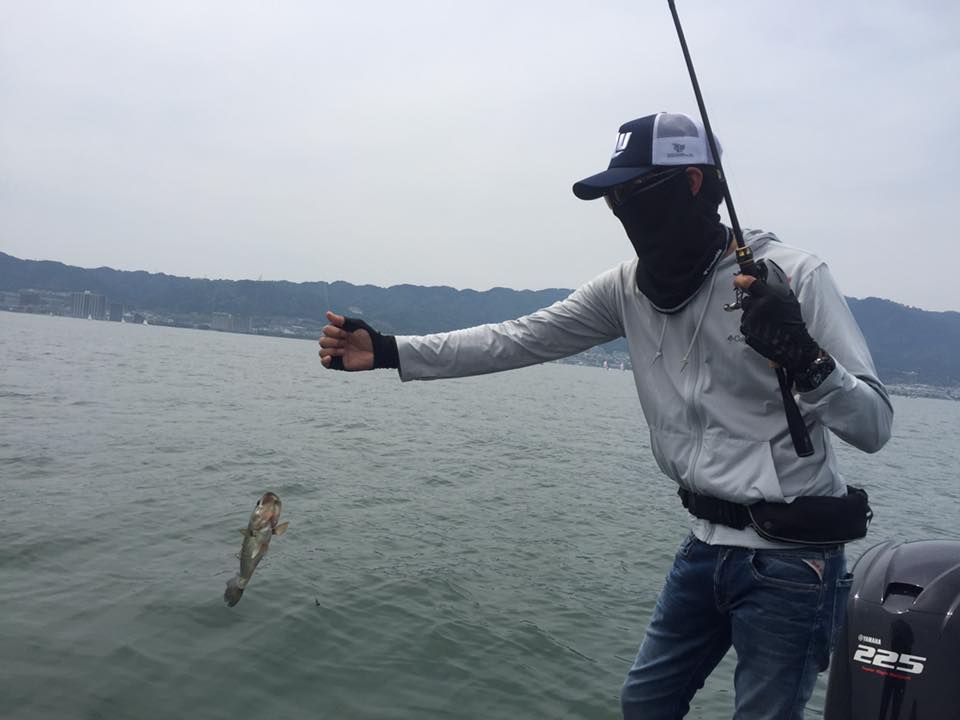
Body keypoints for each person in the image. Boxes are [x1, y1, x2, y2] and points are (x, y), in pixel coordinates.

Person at [318, 112, 893, 720]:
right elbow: (517, 338)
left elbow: (874, 425)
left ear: (693, 182)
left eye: (635, 190)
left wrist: (806, 357)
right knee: (644, 703)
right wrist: (389, 351)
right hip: (703, 542)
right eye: (613, 197)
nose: (621, 208)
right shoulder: (625, 288)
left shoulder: (795, 277)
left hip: (793, 561)